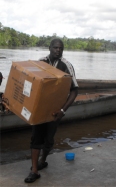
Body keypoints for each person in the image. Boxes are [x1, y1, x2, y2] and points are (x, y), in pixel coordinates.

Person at [25, 38, 78, 183]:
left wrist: (63, 110)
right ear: (49, 48)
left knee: (49, 140)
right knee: (36, 138)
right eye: (55, 48)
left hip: (56, 111)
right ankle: (34, 170)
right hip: (40, 109)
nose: (58, 50)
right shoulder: (40, 63)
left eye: (61, 48)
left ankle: (43, 160)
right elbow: (32, 83)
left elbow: (75, 90)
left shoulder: (67, 65)